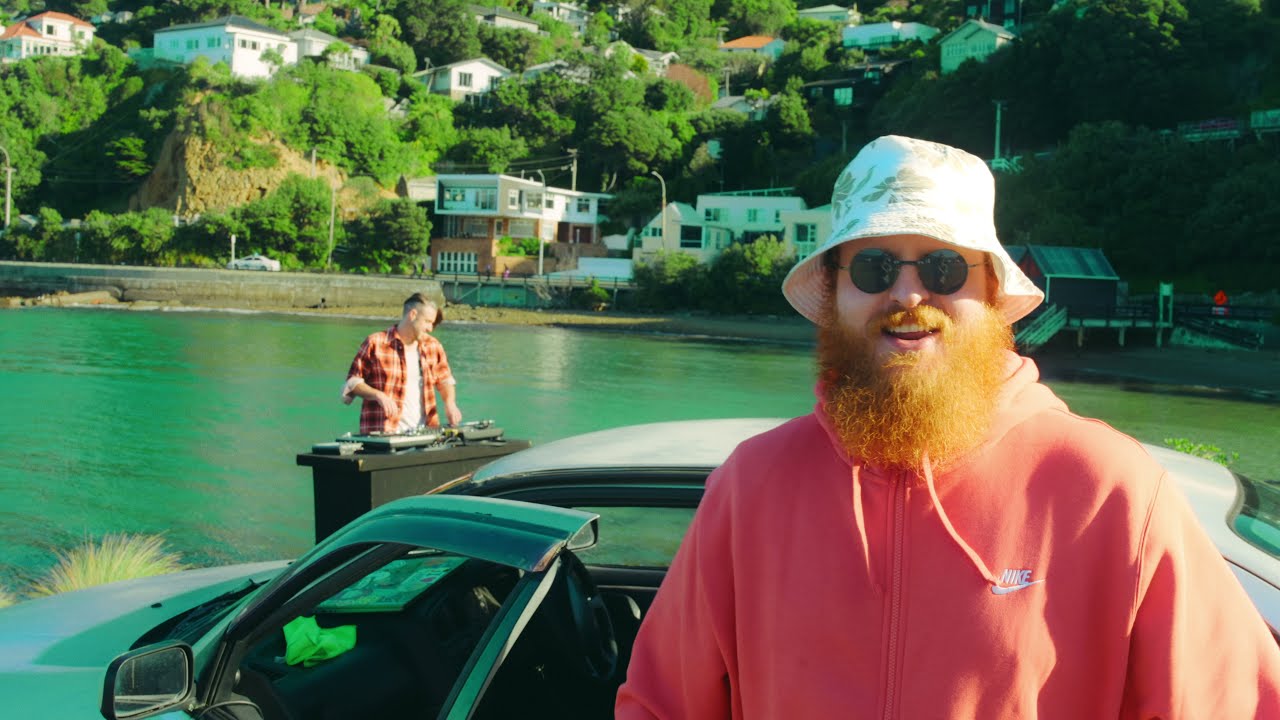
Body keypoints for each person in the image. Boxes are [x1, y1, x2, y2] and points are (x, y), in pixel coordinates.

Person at [615, 136, 1280, 718]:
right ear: (835, 292)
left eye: (944, 267)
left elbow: (1236, 705)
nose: (908, 295)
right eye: (873, 267)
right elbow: (660, 705)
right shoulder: (751, 486)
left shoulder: (1110, 490)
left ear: (990, 291)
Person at [341, 292, 462, 433]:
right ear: (413, 315)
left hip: (426, 433)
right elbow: (353, 383)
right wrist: (378, 395)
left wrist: (450, 403)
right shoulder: (376, 343)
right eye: (427, 322)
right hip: (383, 434)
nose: (430, 328)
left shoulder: (433, 345)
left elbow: (445, 380)